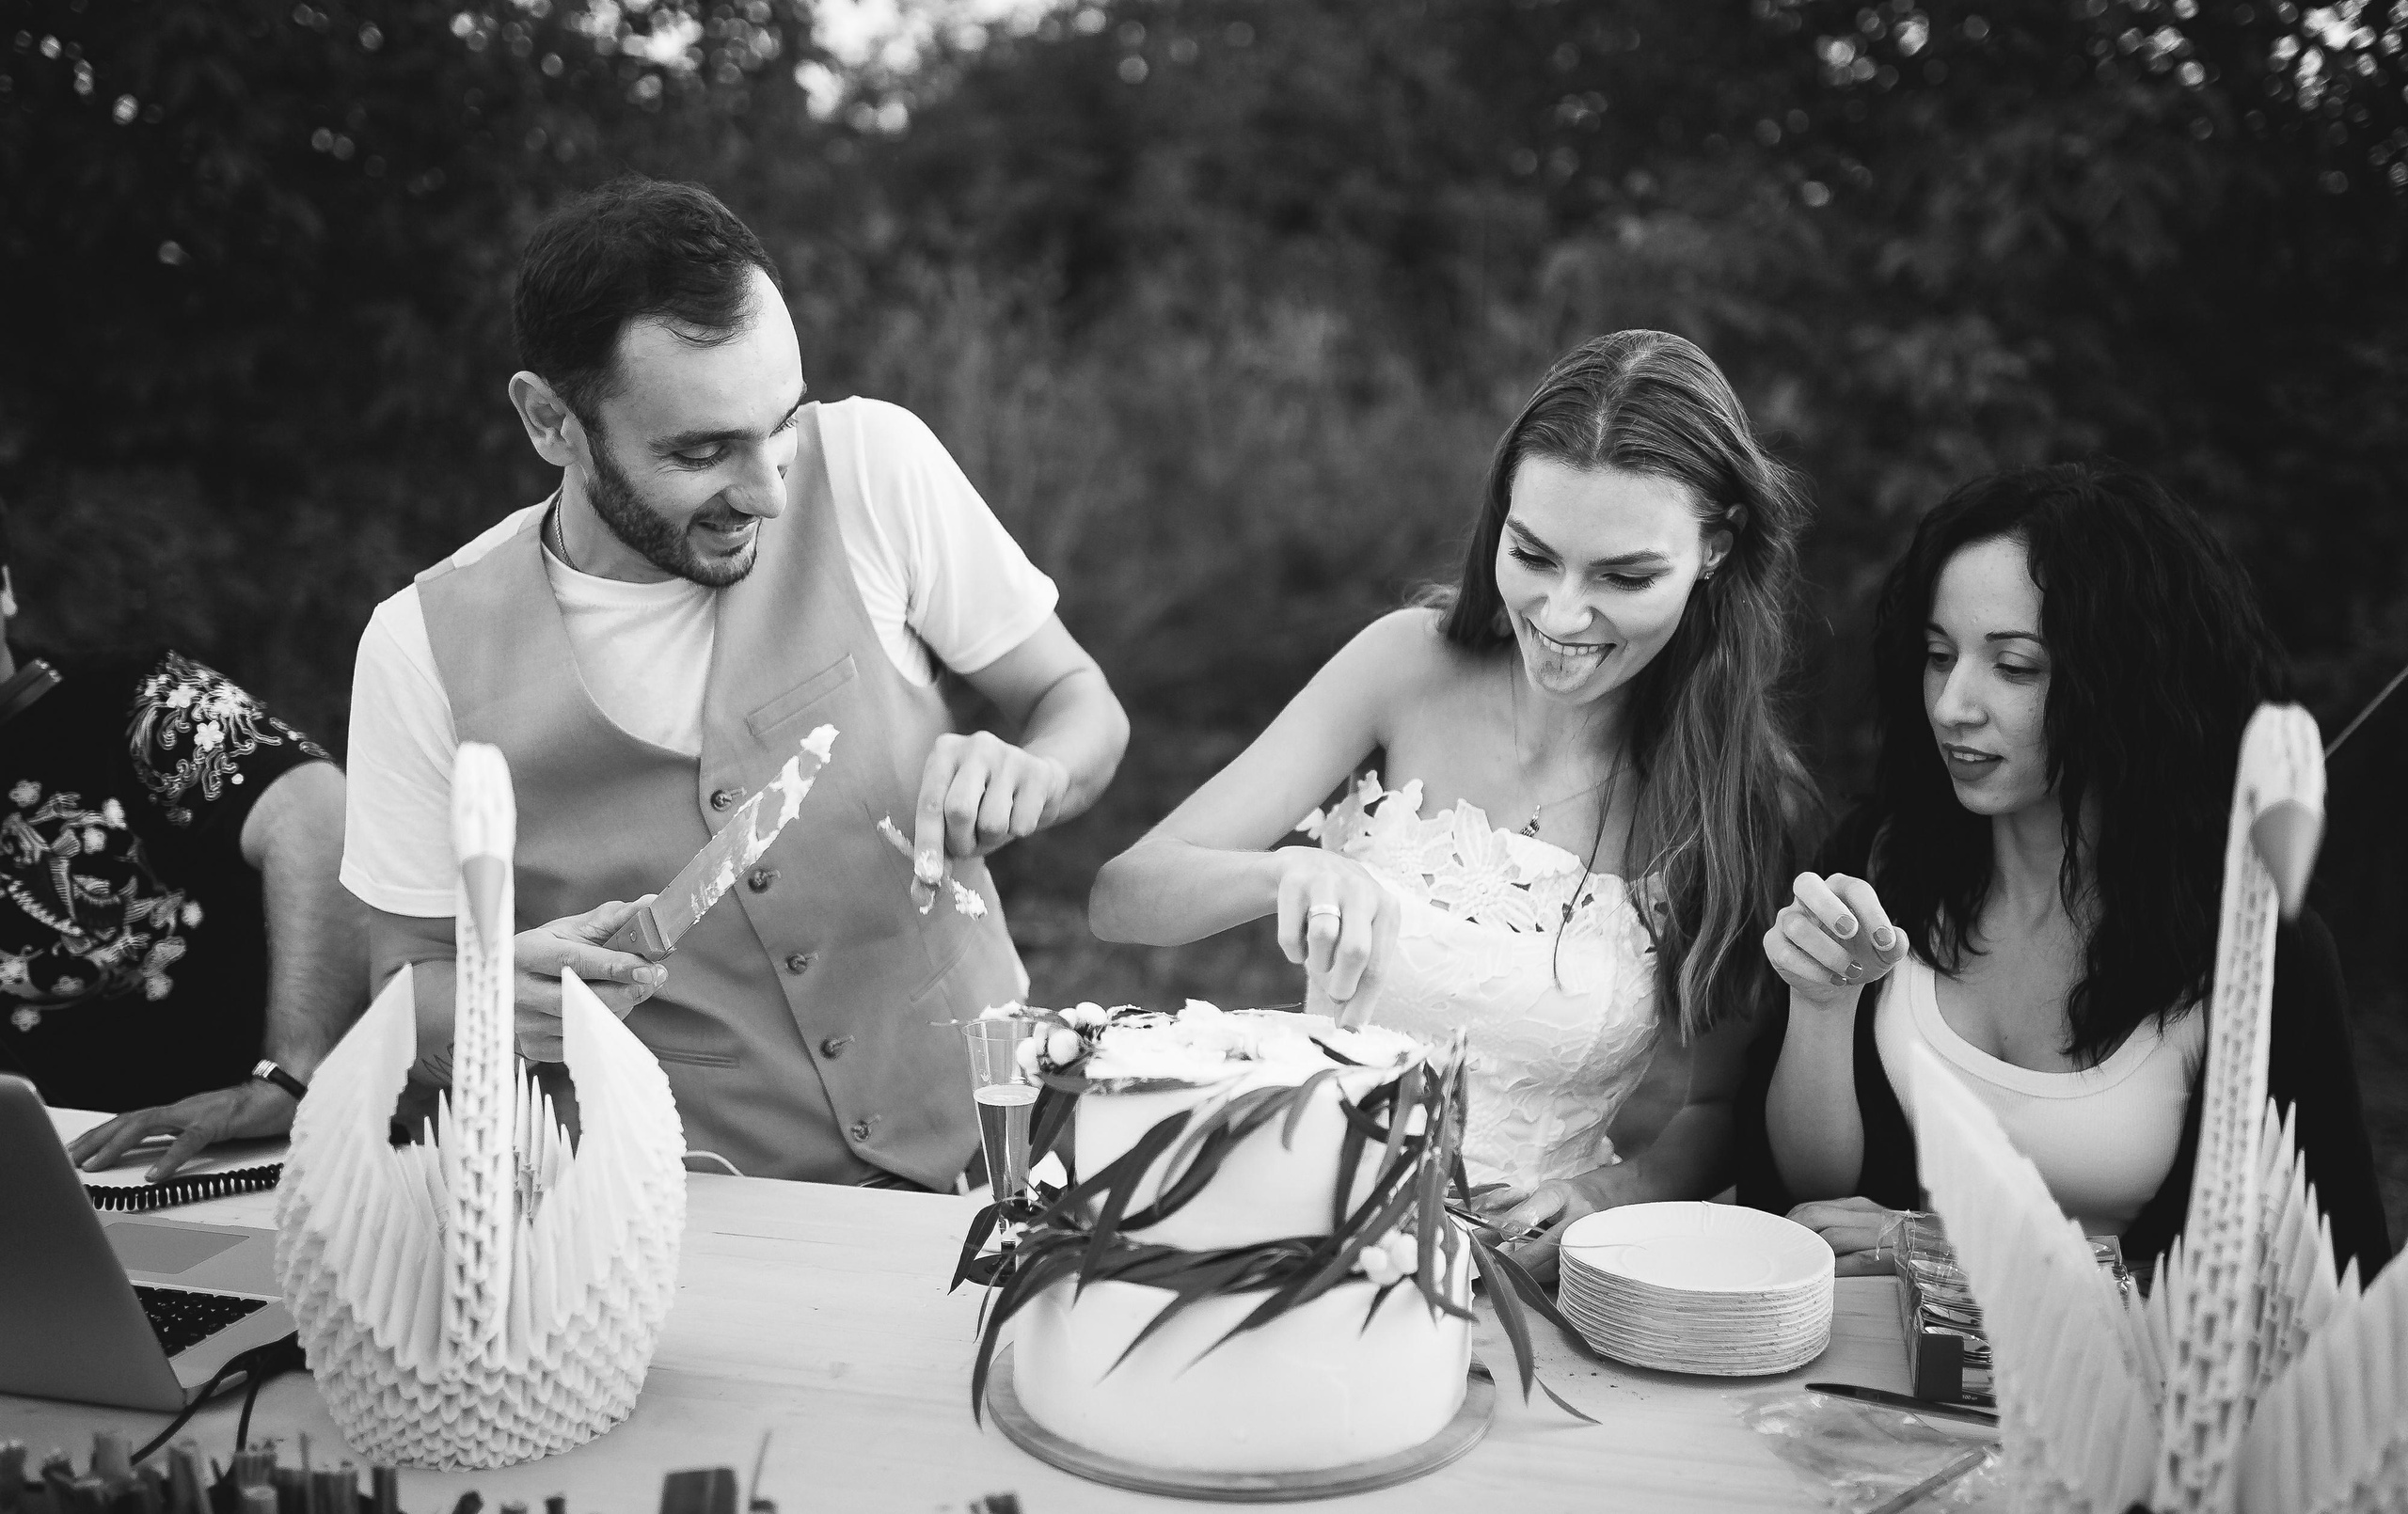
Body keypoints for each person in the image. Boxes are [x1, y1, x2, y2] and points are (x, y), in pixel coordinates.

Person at [341, 178, 1128, 1188]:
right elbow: (403, 987)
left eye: (782, 422)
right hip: (683, 1222)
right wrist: (494, 997)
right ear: (550, 422)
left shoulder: (878, 466)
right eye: (702, 451)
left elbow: (1079, 704)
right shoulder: (418, 647)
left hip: (998, 1154)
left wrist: (1034, 772)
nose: (765, 492)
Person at [1089, 330, 1814, 1272]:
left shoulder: (1743, 800)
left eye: (1623, 577)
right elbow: (1123, 898)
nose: (1559, 616)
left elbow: (1719, 1109)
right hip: (1296, 1237)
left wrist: (1610, 1191)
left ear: (1714, 548)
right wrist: (1284, 871)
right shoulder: (1404, 664)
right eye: (1533, 554)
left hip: (1520, 1284)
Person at [1735, 463, 2390, 1279]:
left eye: (2014, 667)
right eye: (1940, 655)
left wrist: (1968, 1251)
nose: (1952, 704)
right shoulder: (1880, 859)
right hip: (1854, 1385)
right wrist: (1821, 1006)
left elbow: (2328, 1285)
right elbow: (1800, 1199)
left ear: (2127, 682)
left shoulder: (2261, 955)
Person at [0, 498, 367, 1179]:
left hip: (225, 1166)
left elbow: (320, 816)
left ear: (5, 587)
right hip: (38, 1192)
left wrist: (289, 1078)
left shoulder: (139, 697)